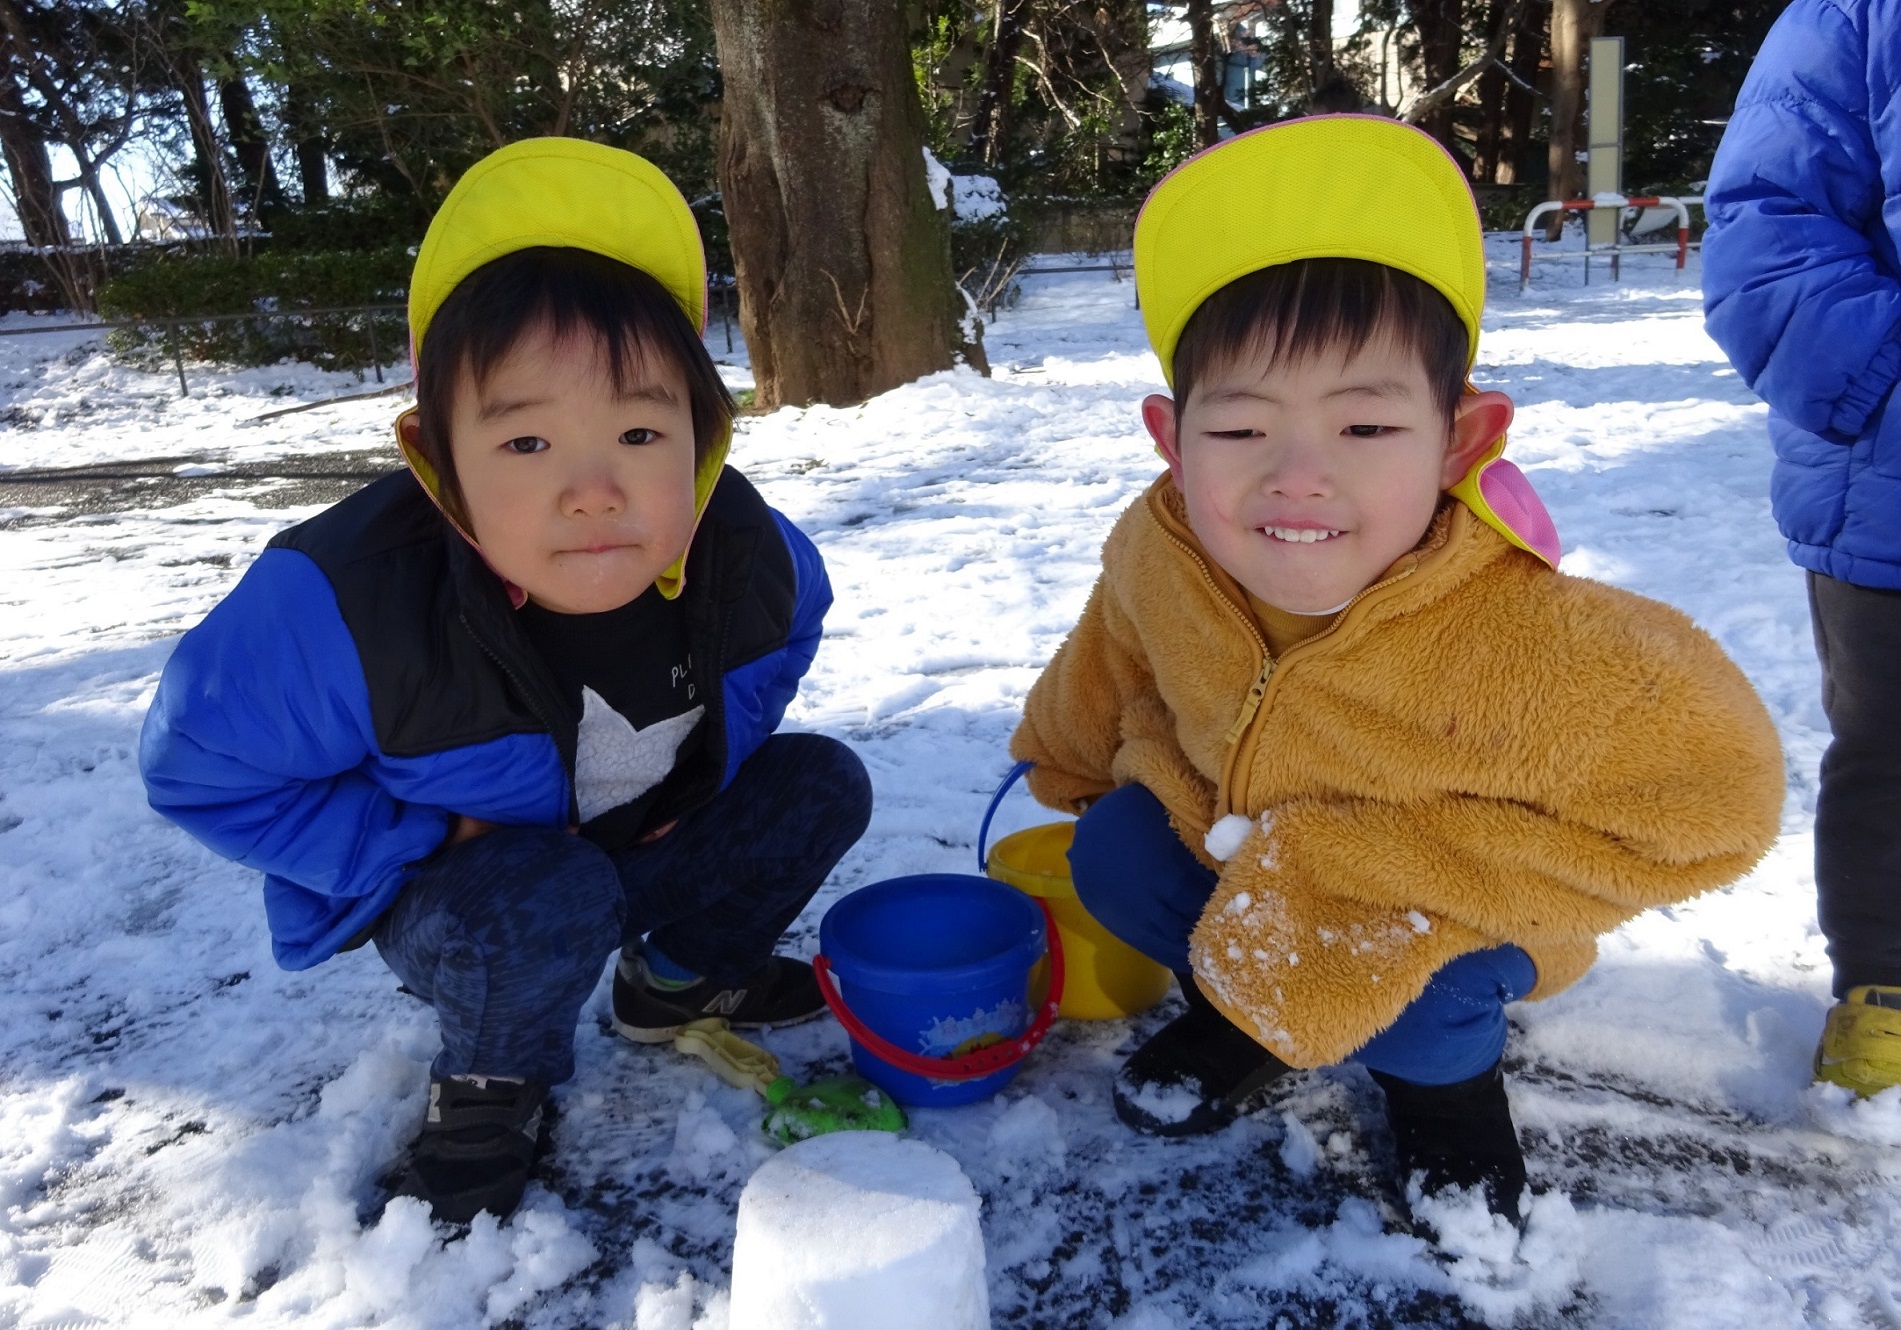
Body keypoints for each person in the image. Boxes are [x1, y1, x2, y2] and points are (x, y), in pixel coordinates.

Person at [1011, 117, 1783, 1223]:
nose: (1298, 479)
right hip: (1236, 850)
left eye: (1365, 426)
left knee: (1417, 1008)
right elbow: (1111, 650)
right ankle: (1245, 1009)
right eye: (1238, 431)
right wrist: (1064, 758)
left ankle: (1450, 1106)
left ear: (1460, 441)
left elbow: (1718, 802)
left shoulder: (1538, 640)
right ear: (1172, 442)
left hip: (1440, 918)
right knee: (1117, 854)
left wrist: (1384, 867)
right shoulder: (1162, 548)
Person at [139, 138, 871, 1223]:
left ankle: (673, 981)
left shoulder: (747, 553)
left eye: (636, 431)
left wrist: (700, 787)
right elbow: (197, 767)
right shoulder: (347, 604)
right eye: (526, 442)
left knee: (820, 783)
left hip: (627, 842)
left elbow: (789, 634)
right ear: (436, 461)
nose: (591, 490)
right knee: (546, 896)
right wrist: (426, 839)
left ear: (702, 442)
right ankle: (493, 1086)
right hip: (475, 891)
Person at [1701, 0, 1901, 1100]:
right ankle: (1884, 986)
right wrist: (1885, 385)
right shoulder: (1851, 16)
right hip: (1889, 489)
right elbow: (1762, 229)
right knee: (1890, 748)